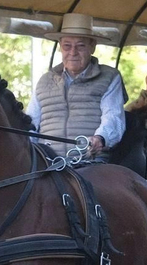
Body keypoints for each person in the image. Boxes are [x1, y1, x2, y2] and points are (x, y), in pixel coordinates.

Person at [29, 12, 126, 158]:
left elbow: (113, 117)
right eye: (67, 46)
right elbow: (30, 123)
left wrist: (100, 139)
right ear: (60, 47)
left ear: (92, 47)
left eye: (80, 46)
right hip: (47, 163)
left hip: (91, 161)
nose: (73, 52)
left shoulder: (110, 77)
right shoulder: (45, 81)